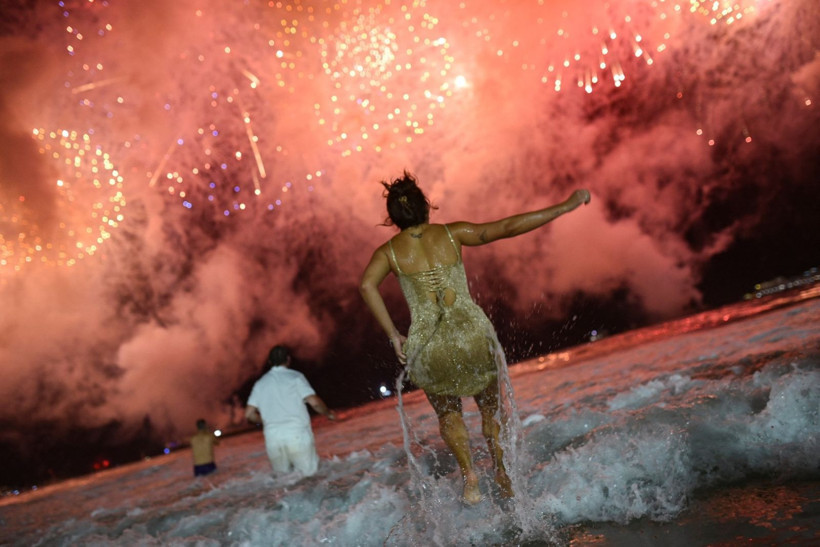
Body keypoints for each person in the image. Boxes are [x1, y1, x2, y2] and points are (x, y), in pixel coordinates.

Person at [360, 171, 590, 503]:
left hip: (429, 344)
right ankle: (501, 471)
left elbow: (366, 285)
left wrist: (394, 335)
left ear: (392, 218)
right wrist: (565, 206)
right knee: (491, 408)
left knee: (448, 414)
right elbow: (508, 227)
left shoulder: (389, 253)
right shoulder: (452, 233)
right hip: (471, 334)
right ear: (426, 206)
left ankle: (470, 477)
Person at [245, 345, 337, 477]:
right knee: (309, 477)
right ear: (288, 359)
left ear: (269, 362)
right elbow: (315, 402)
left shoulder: (260, 384)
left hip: (273, 439)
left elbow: (249, 414)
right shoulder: (295, 377)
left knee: (283, 481)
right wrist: (328, 413)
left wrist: (264, 421)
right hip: (297, 435)